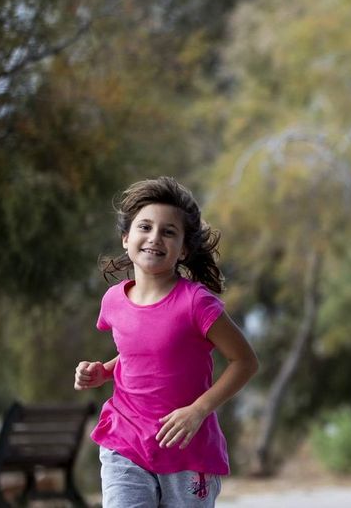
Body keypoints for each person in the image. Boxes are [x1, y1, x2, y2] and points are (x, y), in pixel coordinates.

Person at [74, 176, 259, 507]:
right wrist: (104, 371)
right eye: (145, 227)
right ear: (126, 238)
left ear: (184, 249)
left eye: (168, 231)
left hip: (186, 448)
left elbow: (245, 361)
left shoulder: (196, 303)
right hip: (125, 439)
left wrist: (198, 410)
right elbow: (140, 351)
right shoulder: (114, 300)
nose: (154, 238)